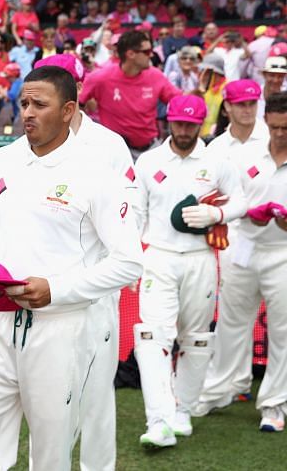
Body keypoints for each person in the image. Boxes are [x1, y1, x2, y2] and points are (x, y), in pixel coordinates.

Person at [0, 66, 143, 471]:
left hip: (61, 329)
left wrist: (58, 289)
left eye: (40, 104)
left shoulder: (96, 171)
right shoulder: (1, 160)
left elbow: (129, 261)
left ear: (68, 110)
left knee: (50, 450)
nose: (28, 113)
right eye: (23, 103)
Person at [34, 54, 138, 471]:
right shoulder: (27, 146)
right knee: (49, 411)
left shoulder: (108, 145)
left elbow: (132, 210)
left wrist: (112, 270)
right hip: (42, 298)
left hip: (94, 292)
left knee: (96, 399)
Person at [133, 94, 246, 448]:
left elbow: (240, 200)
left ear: (201, 125)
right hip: (160, 256)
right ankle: (159, 420)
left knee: (197, 337)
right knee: (152, 336)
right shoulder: (149, 162)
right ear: (168, 122)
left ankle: (183, 411)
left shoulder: (217, 160)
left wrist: (218, 215)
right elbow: (136, 215)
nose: (183, 130)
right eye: (178, 123)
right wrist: (133, 258)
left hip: (200, 257)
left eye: (190, 124)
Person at [196, 92, 287, 432]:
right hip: (245, 246)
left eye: (285, 128)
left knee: (283, 331)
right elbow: (232, 200)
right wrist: (248, 214)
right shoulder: (247, 155)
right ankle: (220, 390)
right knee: (231, 323)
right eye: (275, 126)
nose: (279, 134)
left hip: (283, 252)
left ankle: (274, 404)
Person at [80, 30, 181, 158]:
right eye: (147, 51)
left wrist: (198, 93)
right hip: (115, 153)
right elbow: (76, 104)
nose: (151, 55)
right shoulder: (101, 77)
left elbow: (180, 101)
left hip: (150, 150)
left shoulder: (156, 75)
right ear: (131, 54)